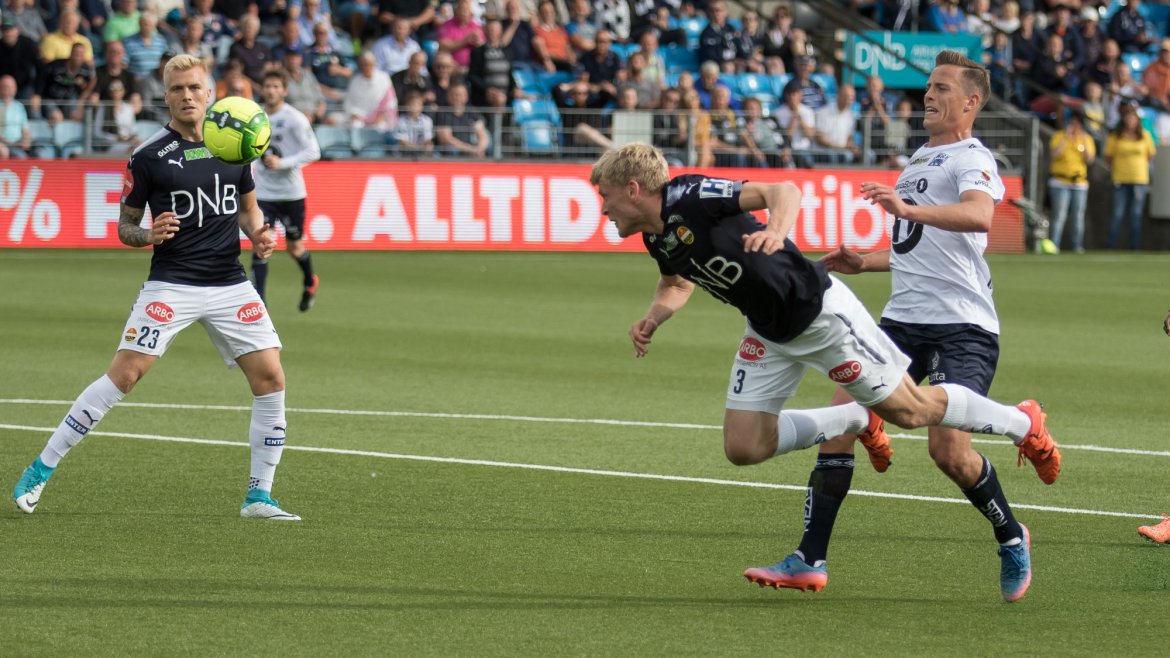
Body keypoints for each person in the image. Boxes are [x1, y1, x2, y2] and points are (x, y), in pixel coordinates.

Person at [591, 137, 1060, 598]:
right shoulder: (656, 236)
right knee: (743, 446)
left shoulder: (690, 196)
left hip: (820, 315)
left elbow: (784, 191)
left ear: (634, 189)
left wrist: (776, 231)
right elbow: (676, 283)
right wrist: (653, 317)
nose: (604, 208)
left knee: (910, 411)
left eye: (605, 196)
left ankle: (1022, 422)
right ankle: (854, 422)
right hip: (767, 331)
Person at [761, 51, 1059, 604]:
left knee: (948, 454)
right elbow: (915, 249)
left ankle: (1011, 534)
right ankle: (809, 558)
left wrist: (907, 209)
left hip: (962, 326)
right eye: (928, 86)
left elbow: (980, 215)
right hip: (899, 323)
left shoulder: (973, 157)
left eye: (942, 87)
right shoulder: (920, 158)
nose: (928, 95)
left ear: (970, 102)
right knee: (839, 422)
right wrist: (865, 261)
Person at [12, 54, 299, 522]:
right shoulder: (148, 156)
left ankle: (258, 497)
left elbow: (248, 211)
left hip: (229, 282)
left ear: (209, 92)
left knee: (271, 379)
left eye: (195, 87)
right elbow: (124, 226)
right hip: (172, 283)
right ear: (165, 96)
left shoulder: (235, 145)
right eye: (177, 89)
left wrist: (260, 234)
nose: (187, 96)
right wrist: (148, 233)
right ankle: (39, 469)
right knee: (124, 376)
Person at [252, 68, 321, 312]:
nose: (271, 91)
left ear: (284, 90)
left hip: (291, 194)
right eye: (267, 86)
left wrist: (283, 163)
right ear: (262, 89)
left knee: (294, 248)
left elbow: (314, 151)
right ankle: (260, 303)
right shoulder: (254, 117)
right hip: (263, 194)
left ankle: (309, 281)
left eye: (276, 87)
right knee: (261, 245)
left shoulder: (295, 118)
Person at [1105, 102, 1155, 249]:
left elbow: (1150, 155)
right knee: (1117, 214)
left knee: (1136, 215)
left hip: (1139, 180)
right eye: (1128, 117)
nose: (1130, 121)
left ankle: (1135, 247)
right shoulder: (1116, 135)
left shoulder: (1145, 135)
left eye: (1133, 118)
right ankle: (1111, 246)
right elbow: (1109, 157)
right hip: (1120, 179)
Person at [1047, 110, 1095, 254]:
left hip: (1079, 183)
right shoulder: (1059, 136)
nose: (1075, 126)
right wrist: (1066, 138)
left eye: (1077, 124)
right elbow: (1054, 154)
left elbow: (1089, 159)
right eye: (1072, 123)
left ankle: (1077, 246)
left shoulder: (1086, 139)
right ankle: (1054, 244)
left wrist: (1083, 139)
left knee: (1078, 217)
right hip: (1060, 181)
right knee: (1059, 216)